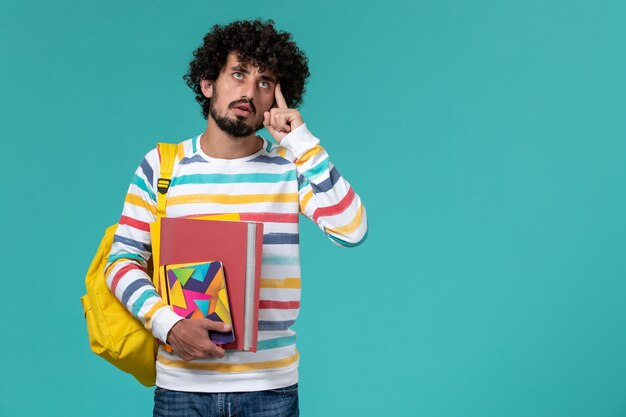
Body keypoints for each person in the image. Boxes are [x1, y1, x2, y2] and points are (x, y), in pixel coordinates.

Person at [105, 19, 367, 416]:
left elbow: (352, 229)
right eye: (239, 74)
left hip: (270, 390)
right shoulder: (161, 167)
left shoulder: (290, 166)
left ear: (276, 98)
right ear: (208, 83)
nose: (248, 91)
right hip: (181, 388)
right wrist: (167, 324)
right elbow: (121, 262)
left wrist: (301, 142)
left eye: (264, 82)